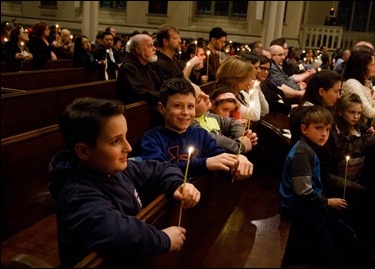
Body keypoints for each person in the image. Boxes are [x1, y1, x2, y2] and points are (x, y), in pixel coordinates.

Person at [49, 97, 201, 268]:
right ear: (84, 151)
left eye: (125, 137)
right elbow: (117, 232)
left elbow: (161, 168)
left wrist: (177, 184)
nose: (128, 147)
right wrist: (163, 239)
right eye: (116, 141)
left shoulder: (113, 168)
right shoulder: (76, 193)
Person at [289, 70, 375, 260]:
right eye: (336, 91)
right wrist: (373, 139)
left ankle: (354, 242)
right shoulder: (309, 115)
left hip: (320, 171)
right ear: (322, 91)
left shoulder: (318, 111)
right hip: (319, 175)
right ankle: (358, 249)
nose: (339, 97)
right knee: (361, 194)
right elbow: (334, 152)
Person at [280, 105, 368, 267]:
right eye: (318, 128)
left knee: (348, 235)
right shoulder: (302, 153)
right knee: (331, 253)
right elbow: (303, 192)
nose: (324, 134)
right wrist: (328, 202)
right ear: (304, 129)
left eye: (327, 129)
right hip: (301, 209)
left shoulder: (308, 148)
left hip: (311, 205)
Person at [140, 77, 253, 181]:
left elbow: (219, 155)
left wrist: (238, 159)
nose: (185, 113)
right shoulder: (153, 138)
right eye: (178, 106)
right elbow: (157, 170)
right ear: (162, 108)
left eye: (190, 106)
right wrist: (206, 163)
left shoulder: (201, 134)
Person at [334, 93, 375, 185]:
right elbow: (347, 148)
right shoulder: (336, 128)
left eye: (359, 113)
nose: (356, 117)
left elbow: (363, 137)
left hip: (359, 174)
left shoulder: (357, 126)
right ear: (341, 112)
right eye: (351, 112)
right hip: (344, 178)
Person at [192, 82, 257, 154]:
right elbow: (215, 140)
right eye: (199, 100)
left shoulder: (209, 116)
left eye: (202, 92)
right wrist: (240, 144)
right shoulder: (193, 126)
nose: (207, 96)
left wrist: (242, 135)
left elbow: (233, 122)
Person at [342, 45, 375, 123]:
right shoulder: (353, 84)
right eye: (372, 64)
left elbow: (372, 103)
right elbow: (367, 110)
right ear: (362, 67)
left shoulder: (365, 82)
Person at [215, 55, 268, 122]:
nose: (250, 81)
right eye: (247, 78)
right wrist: (254, 91)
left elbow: (265, 111)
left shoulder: (240, 92)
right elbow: (255, 115)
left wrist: (259, 93)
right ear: (235, 78)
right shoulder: (225, 96)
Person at [116, 33, 160, 105]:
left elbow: (160, 84)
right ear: (138, 49)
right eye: (150, 46)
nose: (154, 49)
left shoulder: (146, 64)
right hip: (135, 112)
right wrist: (165, 96)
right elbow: (140, 93)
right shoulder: (128, 67)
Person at [151, 24, 184, 90]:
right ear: (165, 42)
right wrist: (190, 65)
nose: (180, 41)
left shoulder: (175, 61)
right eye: (175, 38)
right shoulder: (158, 63)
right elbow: (173, 88)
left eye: (179, 38)